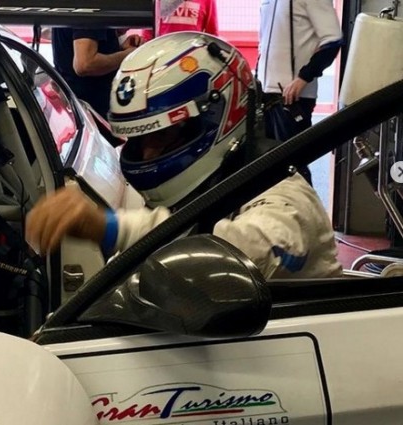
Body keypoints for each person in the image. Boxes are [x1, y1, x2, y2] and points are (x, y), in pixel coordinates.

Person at [26, 32, 342, 280]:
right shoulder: (201, 184)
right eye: (138, 138)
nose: (146, 152)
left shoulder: (285, 195)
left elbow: (245, 251)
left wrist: (108, 228)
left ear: (218, 119)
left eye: (161, 135)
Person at [257, 0, 343, 184]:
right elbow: (264, 44)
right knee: (267, 171)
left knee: (293, 168)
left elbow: (333, 41)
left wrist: (303, 77)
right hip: (265, 95)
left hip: (293, 98)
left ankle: (306, 202)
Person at [51, 27, 142, 119]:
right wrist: (128, 55)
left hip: (78, 107)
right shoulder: (90, 18)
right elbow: (85, 64)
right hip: (91, 109)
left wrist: (119, 49)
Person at [141, 0, 219, 41]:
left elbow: (212, 34)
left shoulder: (208, 1)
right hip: (162, 54)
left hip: (192, 56)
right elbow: (147, 33)